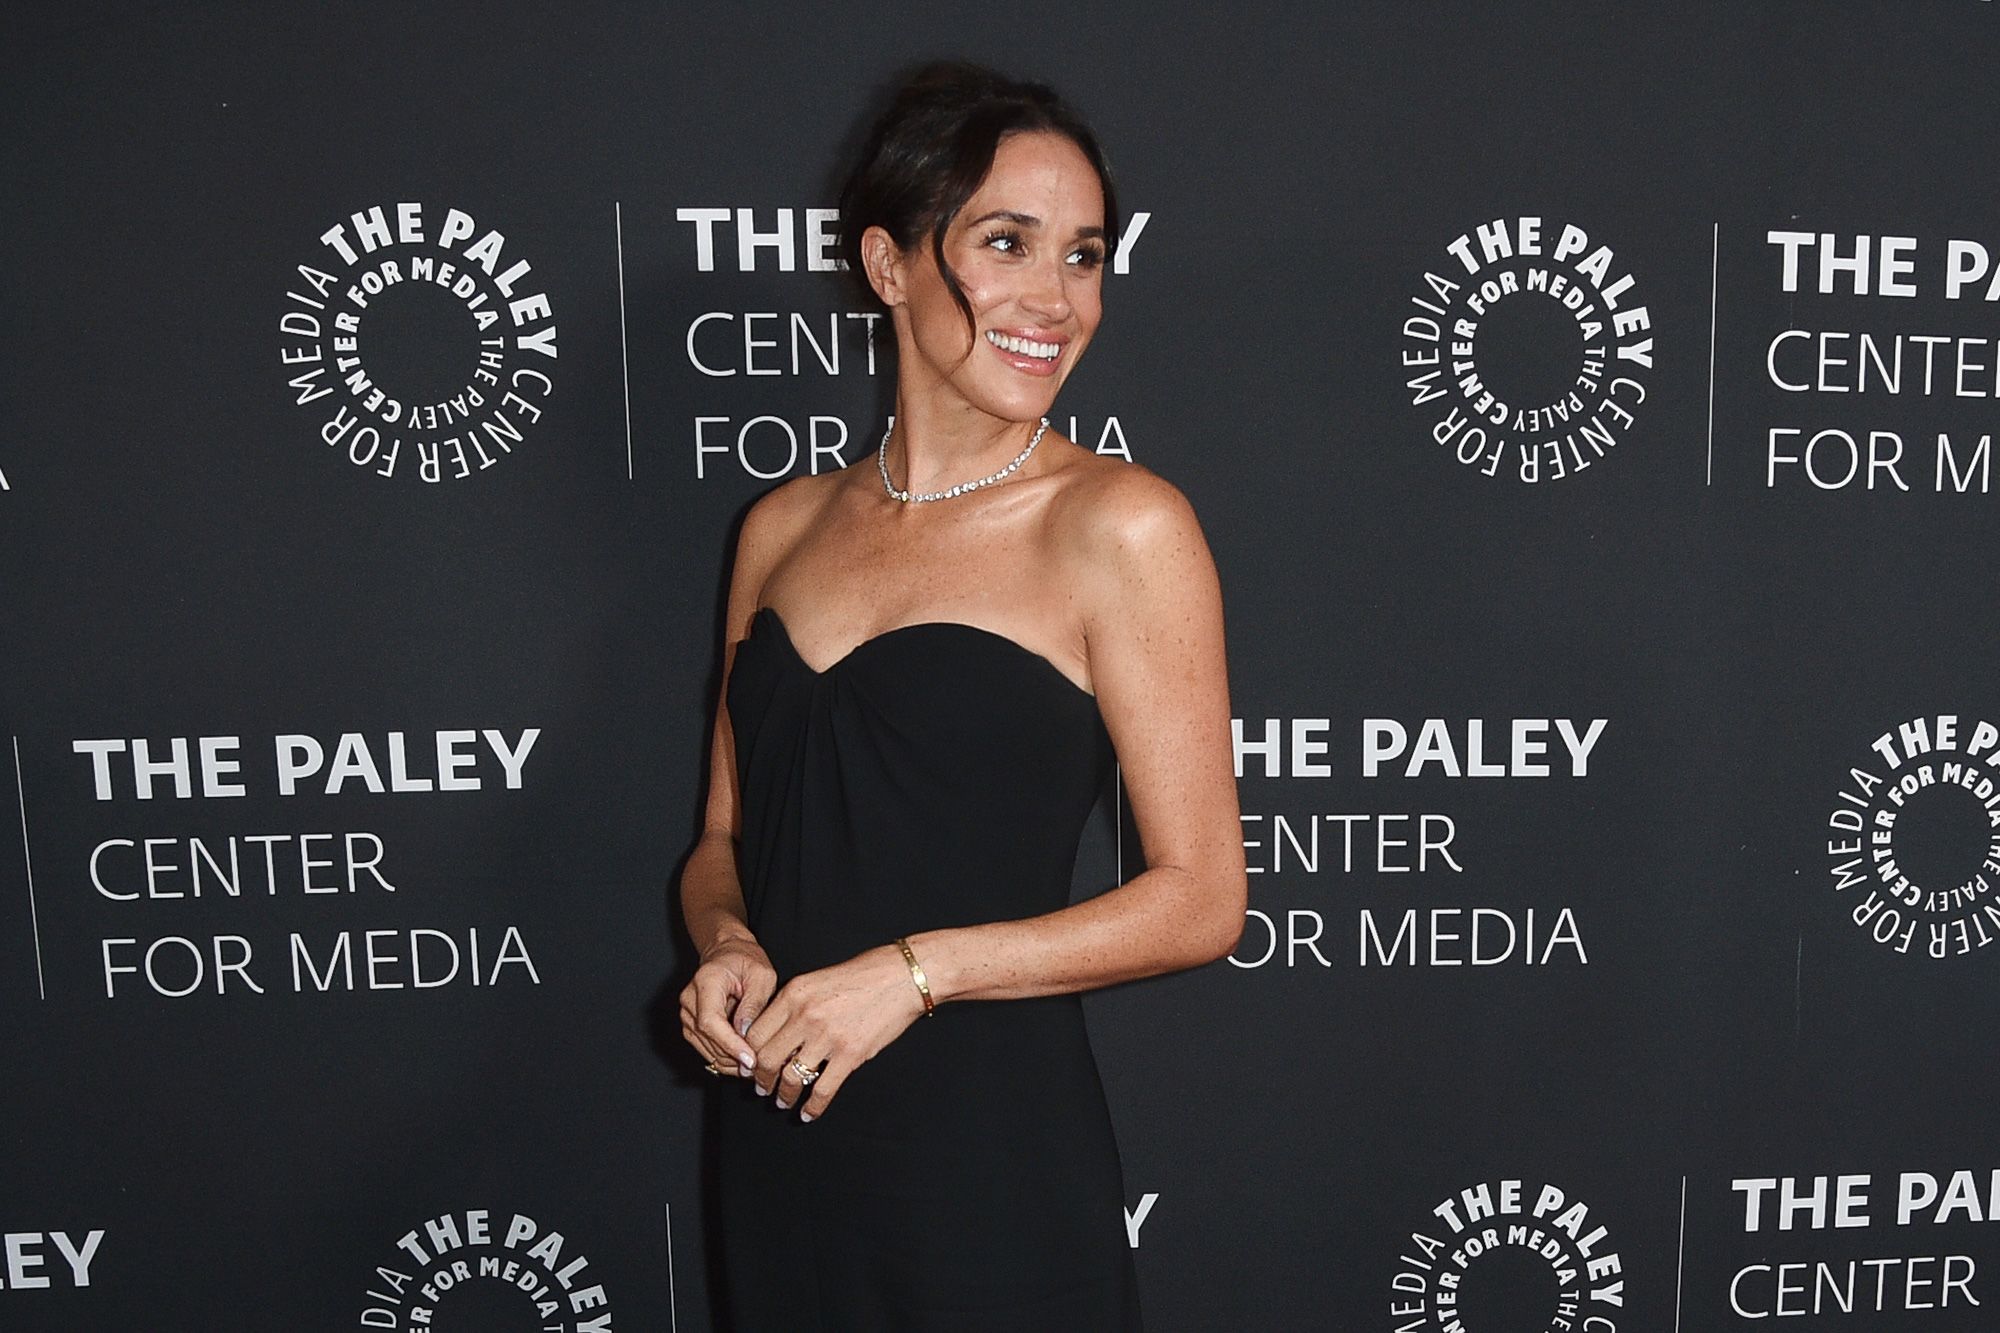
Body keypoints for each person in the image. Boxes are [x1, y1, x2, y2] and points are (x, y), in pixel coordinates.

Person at [677, 60, 1246, 1331]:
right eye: (1007, 243)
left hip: (985, 1155)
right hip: (778, 1135)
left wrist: (913, 974)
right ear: (888, 265)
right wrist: (727, 943)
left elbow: (1201, 900)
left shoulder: (1119, 524)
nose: (1056, 299)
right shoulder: (777, 526)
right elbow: (721, 839)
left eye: (1086, 255)